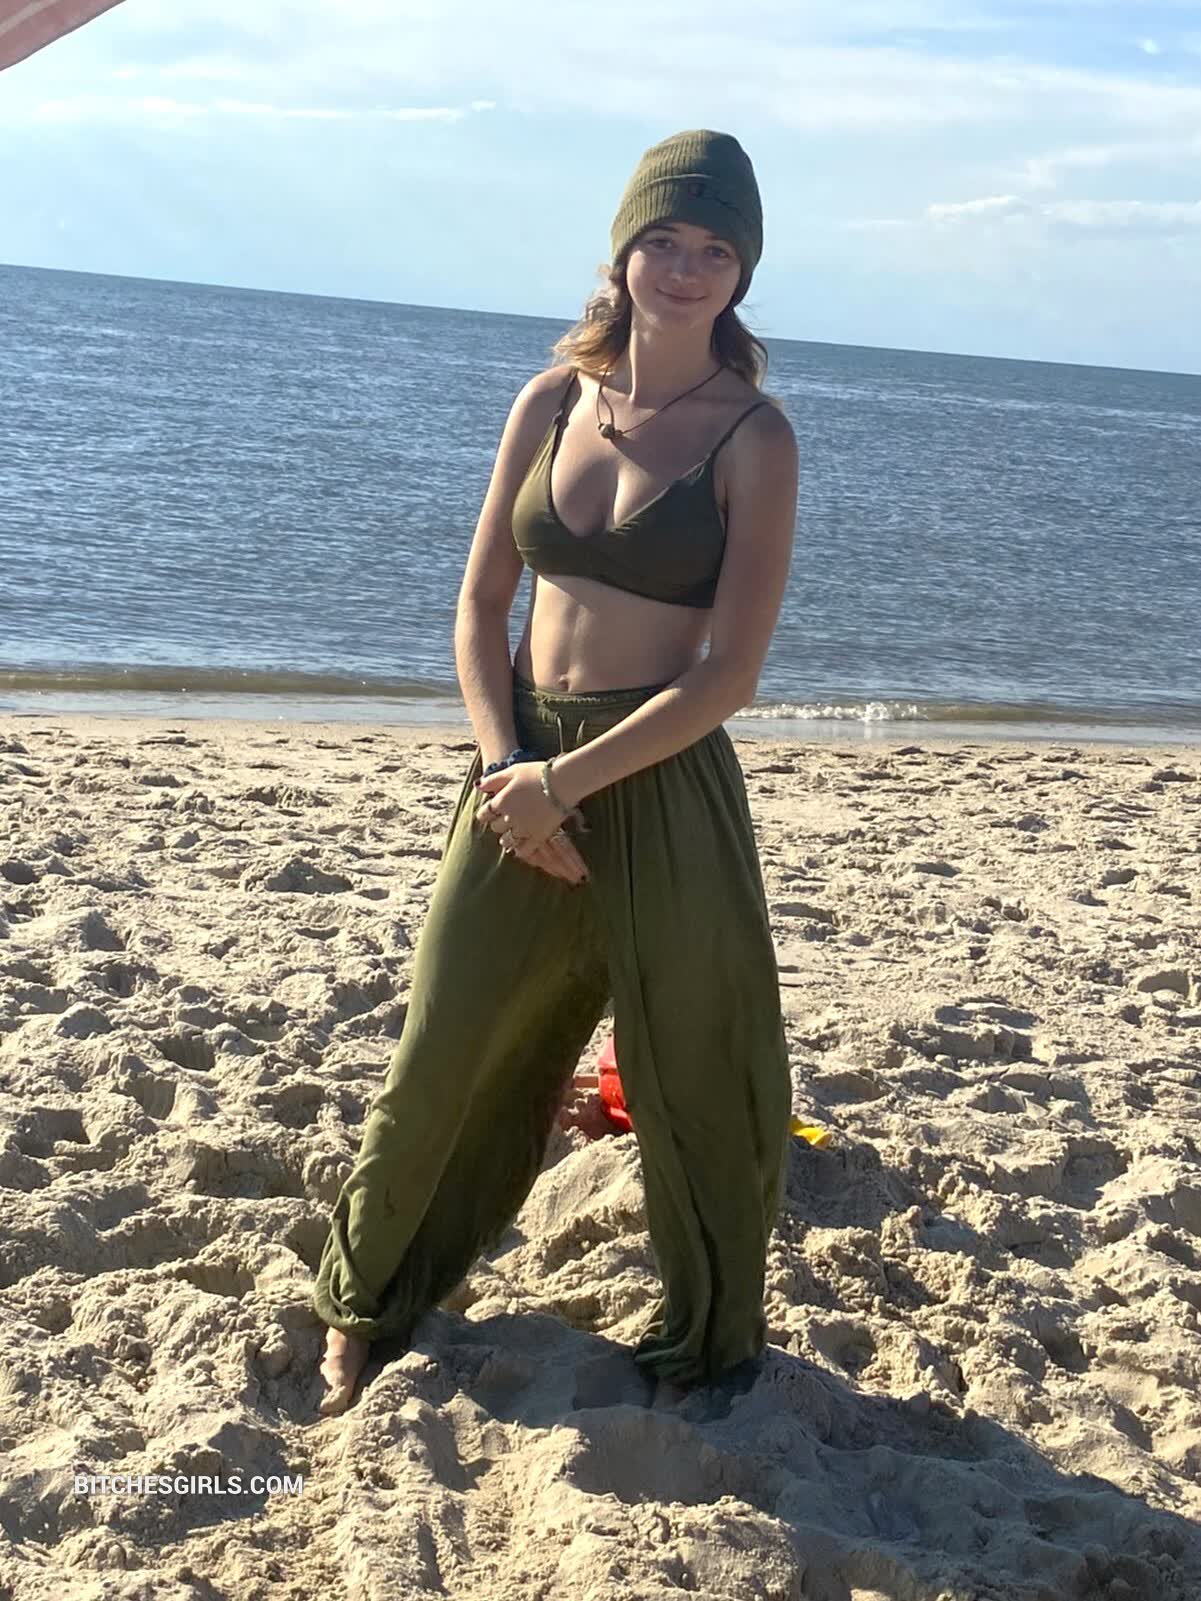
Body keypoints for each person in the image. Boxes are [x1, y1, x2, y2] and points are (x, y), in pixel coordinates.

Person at [315, 128, 800, 1416]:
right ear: (623, 251)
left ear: (743, 273)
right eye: (664, 240)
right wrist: (508, 769)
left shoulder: (756, 438)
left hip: (662, 777)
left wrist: (569, 787)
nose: (685, 269)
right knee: (446, 1046)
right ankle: (369, 1300)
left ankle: (708, 1340)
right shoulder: (549, 402)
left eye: (715, 250)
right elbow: (482, 608)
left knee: (698, 1067)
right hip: (516, 770)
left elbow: (729, 675)